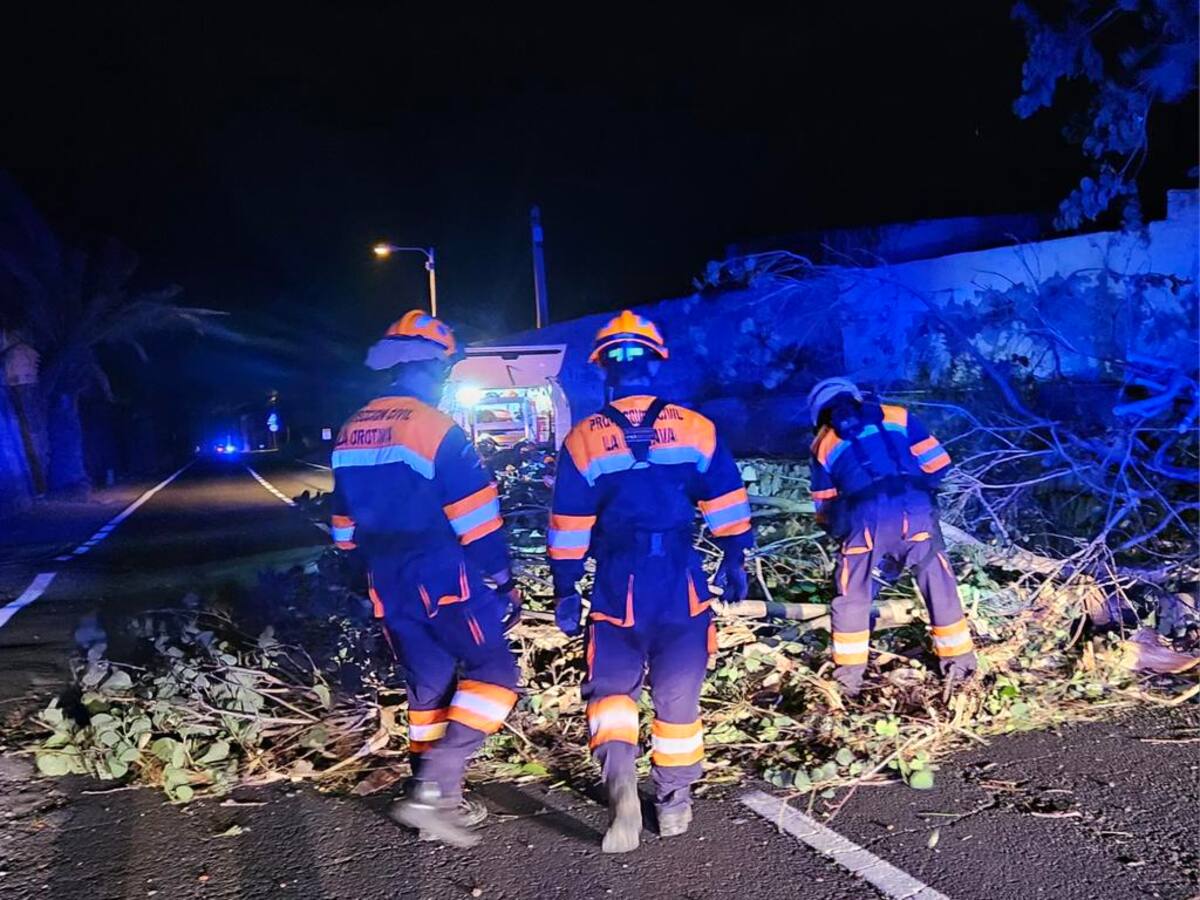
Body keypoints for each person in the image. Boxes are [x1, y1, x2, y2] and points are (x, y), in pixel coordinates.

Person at [548, 310, 754, 853]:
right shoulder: (694, 427)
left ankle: (621, 790)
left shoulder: (583, 439)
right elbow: (727, 502)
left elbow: (570, 525)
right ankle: (674, 802)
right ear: (655, 365)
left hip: (618, 582)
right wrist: (735, 562)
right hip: (681, 581)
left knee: (612, 692)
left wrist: (565, 589)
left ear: (603, 373)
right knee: (678, 696)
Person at [330, 310, 521, 848]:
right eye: (443, 369)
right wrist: (504, 579)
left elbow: (342, 520)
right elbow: (477, 517)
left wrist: (355, 569)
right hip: (441, 570)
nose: (445, 380)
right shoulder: (436, 426)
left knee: (428, 687)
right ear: (429, 367)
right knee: (495, 672)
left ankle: (436, 802)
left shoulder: (352, 427)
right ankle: (435, 784)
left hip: (384, 578)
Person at [806, 377, 976, 696]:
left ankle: (848, 685)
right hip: (916, 510)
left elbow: (824, 509)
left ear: (819, 413)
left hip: (865, 518)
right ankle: (961, 672)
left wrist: (846, 532)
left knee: (853, 594)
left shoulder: (821, 444)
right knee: (938, 582)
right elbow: (940, 465)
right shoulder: (898, 415)